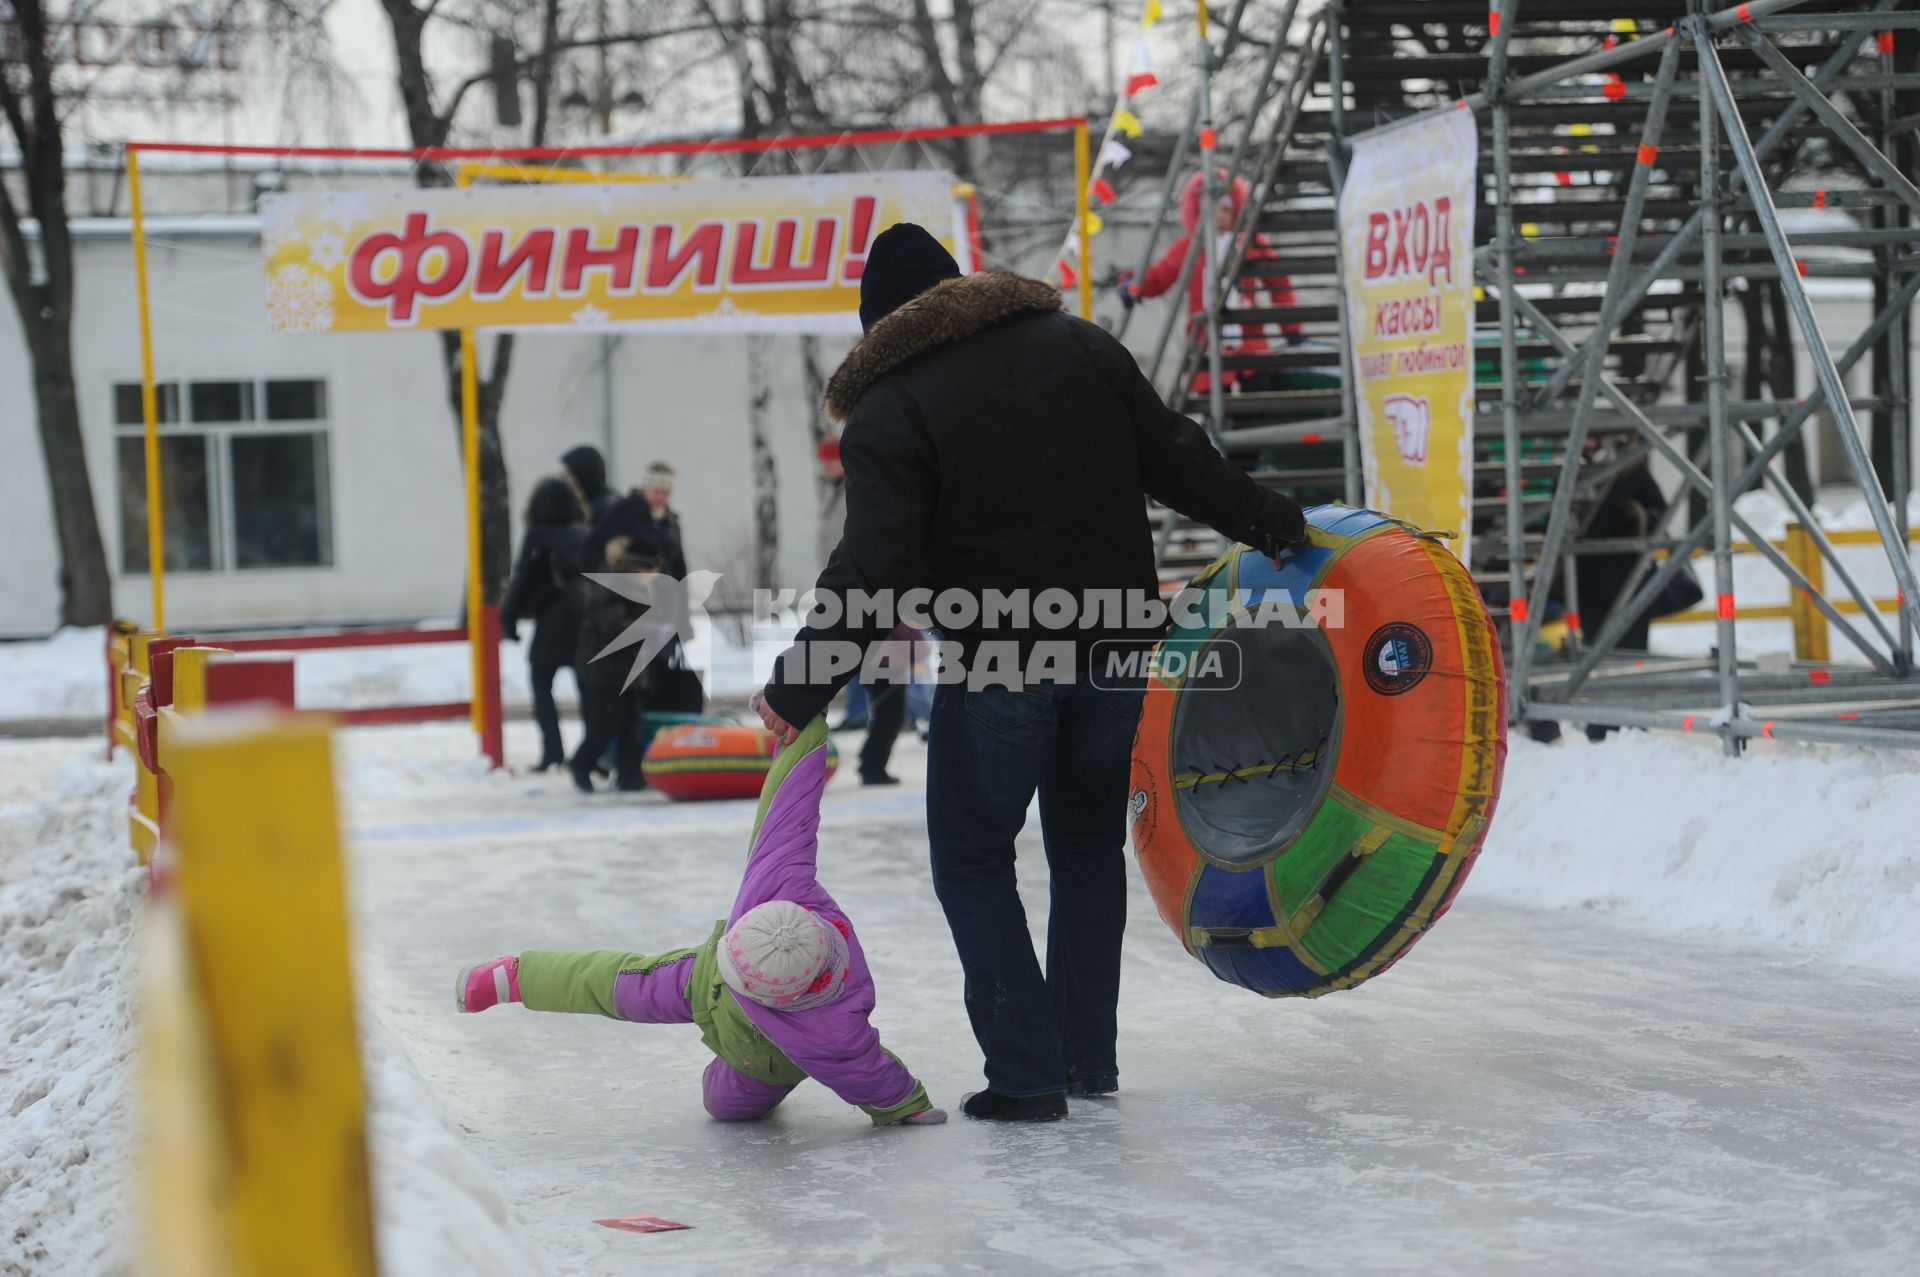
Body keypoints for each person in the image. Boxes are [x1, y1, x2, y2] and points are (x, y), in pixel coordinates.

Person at [753, 223, 1307, 1122]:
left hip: (1003, 662)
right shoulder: (1080, 345)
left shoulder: (893, 405)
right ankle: (1086, 1057)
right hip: (1120, 650)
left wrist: (794, 687)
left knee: (973, 860)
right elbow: (1181, 458)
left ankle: (1025, 1072)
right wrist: (1280, 524)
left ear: (881, 323)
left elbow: (872, 568)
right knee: (1087, 850)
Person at [455, 713, 946, 1128]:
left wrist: (907, 1107)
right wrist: (805, 727)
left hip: (765, 1061)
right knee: (623, 985)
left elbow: (871, 1074)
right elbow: (788, 814)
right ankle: (513, 976)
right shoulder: (780, 888)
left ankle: (731, 1072)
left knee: (725, 1106)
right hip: (700, 976)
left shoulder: (831, 1032)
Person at [1118, 169, 1302, 393]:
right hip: (1206, 343)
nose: (1219, 216)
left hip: (1250, 342)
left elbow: (1278, 280)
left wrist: (1291, 328)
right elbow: (1160, 276)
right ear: (1197, 211)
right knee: (1213, 401)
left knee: (1257, 400)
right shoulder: (1188, 248)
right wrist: (1135, 285)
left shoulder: (1249, 243)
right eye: (1211, 210)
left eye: (1226, 209)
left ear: (1236, 212)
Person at [818, 433, 908, 786]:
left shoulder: (858, 489)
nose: (825, 465)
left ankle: (873, 762)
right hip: (850, 602)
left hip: (869, 601)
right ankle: (871, 763)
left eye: (830, 459)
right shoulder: (838, 491)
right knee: (884, 691)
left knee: (889, 693)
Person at [500, 477, 589, 772]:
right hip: (586, 617)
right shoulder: (584, 533)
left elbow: (524, 579)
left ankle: (553, 751)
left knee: (541, 682)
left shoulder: (538, 536)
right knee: (588, 687)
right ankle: (592, 752)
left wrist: (509, 617)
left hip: (552, 618)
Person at [569, 531, 664, 793]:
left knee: (632, 725)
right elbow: (614, 626)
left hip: (627, 669)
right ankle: (581, 764)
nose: (655, 573)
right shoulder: (612, 587)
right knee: (605, 724)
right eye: (650, 568)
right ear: (636, 566)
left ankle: (630, 775)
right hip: (605, 671)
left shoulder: (641, 588)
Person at [561, 445, 617, 523]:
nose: (564, 478)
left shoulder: (606, 508)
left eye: (569, 473)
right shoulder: (582, 503)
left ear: (583, 474)